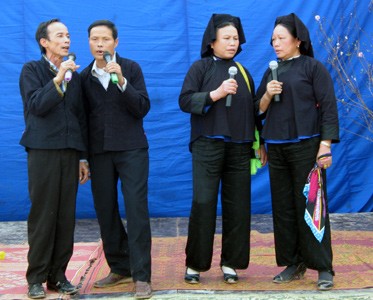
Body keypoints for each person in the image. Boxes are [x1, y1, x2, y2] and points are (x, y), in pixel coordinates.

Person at [179, 13, 267, 284]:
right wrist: (215, 94)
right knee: (204, 203)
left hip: (240, 147)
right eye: (227, 38)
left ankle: (232, 263)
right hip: (207, 145)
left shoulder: (243, 72)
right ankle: (195, 265)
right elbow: (185, 100)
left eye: (236, 38)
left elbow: (254, 112)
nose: (232, 43)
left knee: (238, 206)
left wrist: (261, 142)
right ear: (212, 41)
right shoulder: (200, 68)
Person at [255, 13, 339, 291]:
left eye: (281, 38)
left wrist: (324, 146)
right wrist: (267, 95)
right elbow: (257, 110)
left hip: (307, 147)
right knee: (284, 208)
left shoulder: (314, 68)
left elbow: (328, 107)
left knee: (312, 205)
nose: (276, 44)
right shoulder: (271, 71)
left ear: (298, 41)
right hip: (277, 149)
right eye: (273, 40)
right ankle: (294, 262)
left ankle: (323, 267)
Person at [80, 20, 152, 299]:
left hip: (132, 149)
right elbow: (82, 120)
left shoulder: (130, 68)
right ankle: (120, 267)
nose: (100, 44)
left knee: (136, 211)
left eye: (105, 39)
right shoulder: (84, 77)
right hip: (99, 152)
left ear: (116, 43)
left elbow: (142, 107)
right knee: (105, 211)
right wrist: (83, 158)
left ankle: (142, 276)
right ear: (88, 43)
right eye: (94, 39)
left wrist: (121, 81)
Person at [19, 19, 89, 299]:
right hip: (43, 150)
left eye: (69, 35)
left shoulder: (77, 76)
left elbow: (80, 117)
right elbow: (36, 105)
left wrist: (83, 157)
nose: (67, 40)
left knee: (65, 216)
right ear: (44, 42)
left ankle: (58, 275)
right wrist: (59, 78)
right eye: (60, 35)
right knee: (43, 215)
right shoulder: (32, 70)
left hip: (70, 151)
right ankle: (35, 277)